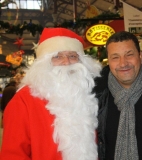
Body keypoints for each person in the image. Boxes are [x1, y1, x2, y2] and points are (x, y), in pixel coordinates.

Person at [0, 28, 102, 160]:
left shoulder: (87, 96)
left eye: (72, 56)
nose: (66, 62)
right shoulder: (23, 100)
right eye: (57, 56)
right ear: (44, 63)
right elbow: (13, 155)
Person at [94, 31, 142, 160]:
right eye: (115, 57)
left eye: (129, 55)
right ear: (108, 61)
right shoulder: (95, 98)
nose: (123, 63)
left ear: (140, 56)